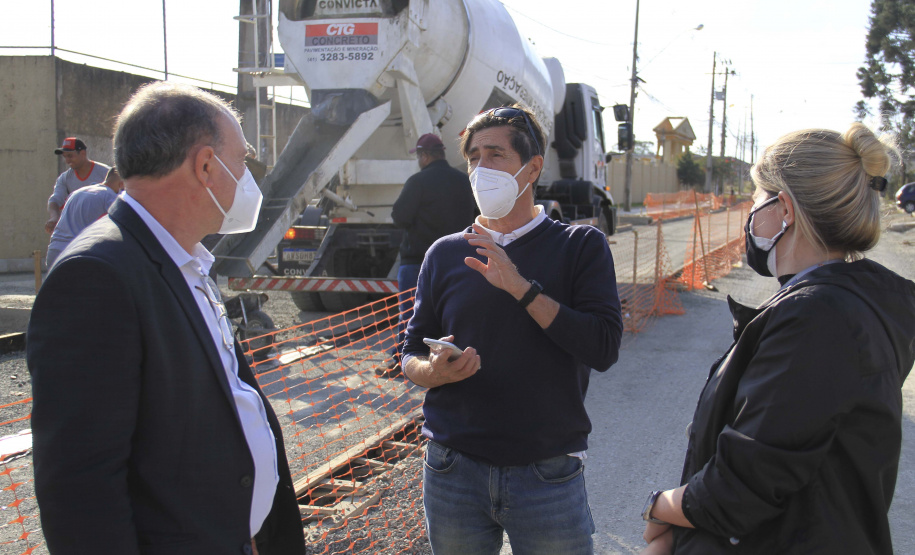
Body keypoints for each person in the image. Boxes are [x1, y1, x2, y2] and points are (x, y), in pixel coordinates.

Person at [27, 82, 306, 555]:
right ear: (204, 166)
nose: (247, 180)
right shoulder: (96, 277)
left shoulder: (184, 259)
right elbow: (80, 487)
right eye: (241, 163)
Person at [639, 123, 915, 555]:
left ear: (783, 208)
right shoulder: (840, 303)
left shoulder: (818, 318)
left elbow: (741, 486)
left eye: (756, 197)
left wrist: (659, 508)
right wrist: (681, 529)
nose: (751, 210)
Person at [401, 104, 623, 554]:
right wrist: (435, 371)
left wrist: (520, 288)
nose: (482, 168)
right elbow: (407, 354)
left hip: (546, 473)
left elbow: (602, 348)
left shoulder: (580, 246)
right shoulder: (445, 253)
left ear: (532, 167)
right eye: (474, 157)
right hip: (451, 469)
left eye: (496, 155)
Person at [383, 133, 475, 376]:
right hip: (459, 259)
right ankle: (452, 356)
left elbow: (400, 217)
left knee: (412, 314)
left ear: (424, 156)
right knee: (451, 311)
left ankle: (405, 359)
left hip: (417, 262)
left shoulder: (418, 182)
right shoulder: (464, 181)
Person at [46, 166, 123, 268]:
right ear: (121, 184)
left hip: (54, 251)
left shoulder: (77, 192)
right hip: (77, 254)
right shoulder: (109, 197)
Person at [46, 137, 110, 234]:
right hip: (76, 233)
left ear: (83, 153)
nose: (67, 160)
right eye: (65, 156)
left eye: (70, 156)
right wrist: (54, 218)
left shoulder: (106, 173)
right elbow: (55, 200)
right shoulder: (65, 178)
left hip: (102, 230)